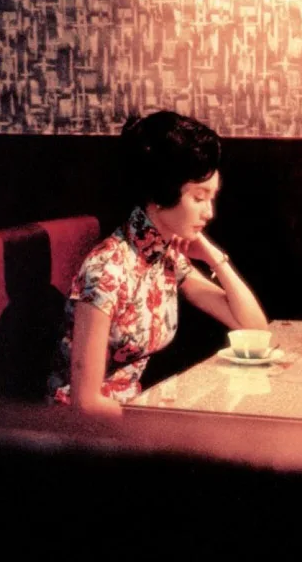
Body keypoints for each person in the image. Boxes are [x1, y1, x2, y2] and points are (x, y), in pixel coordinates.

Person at [48, 111, 268, 415]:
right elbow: (85, 403)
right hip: (83, 429)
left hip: (130, 415)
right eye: (199, 198)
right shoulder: (106, 269)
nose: (209, 213)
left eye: (211, 198)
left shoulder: (165, 256)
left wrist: (215, 258)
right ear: (163, 192)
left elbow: (254, 328)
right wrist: (157, 424)